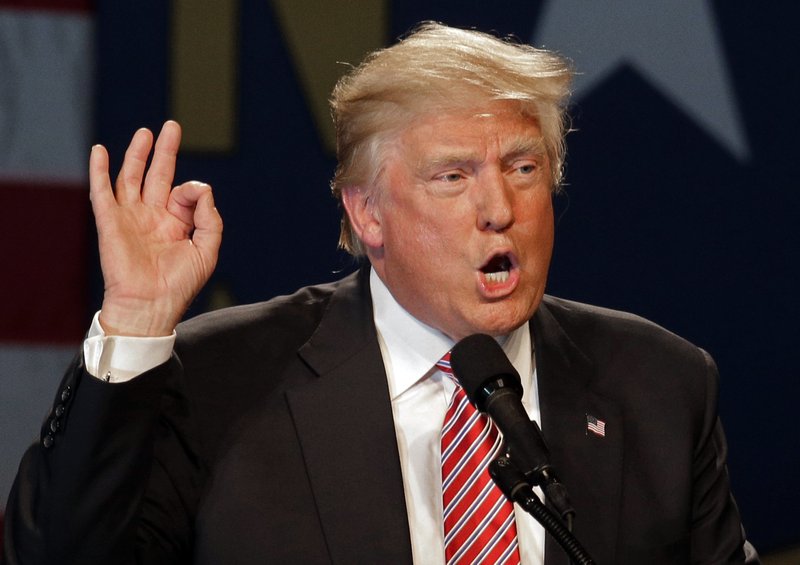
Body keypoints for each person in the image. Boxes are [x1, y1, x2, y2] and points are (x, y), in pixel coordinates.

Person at [3, 22, 758, 565]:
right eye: (453, 176)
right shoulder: (221, 380)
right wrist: (134, 320)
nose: (500, 208)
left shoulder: (658, 383)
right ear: (367, 213)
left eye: (524, 168)